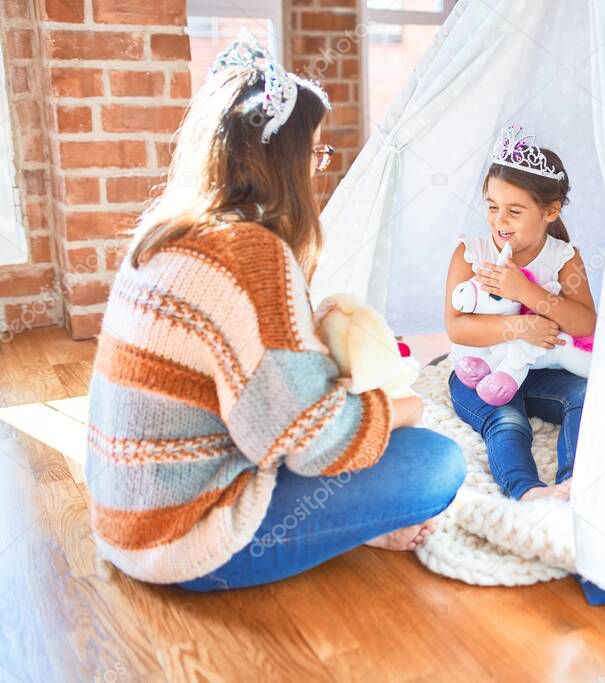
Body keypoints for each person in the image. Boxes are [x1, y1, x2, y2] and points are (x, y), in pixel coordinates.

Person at [84, 33, 464, 591]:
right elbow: (312, 443)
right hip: (187, 543)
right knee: (436, 460)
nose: (319, 166)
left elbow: (260, 399)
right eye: (315, 152)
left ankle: (354, 527)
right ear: (282, 161)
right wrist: (400, 408)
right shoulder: (253, 254)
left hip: (126, 521)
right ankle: (353, 526)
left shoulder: (166, 234)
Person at [443, 125, 596, 501]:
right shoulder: (472, 253)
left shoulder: (563, 257)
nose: (499, 221)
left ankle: (573, 484)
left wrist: (524, 291)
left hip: (541, 372)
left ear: (550, 211)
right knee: (506, 420)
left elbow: (586, 324)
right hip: (481, 374)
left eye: (514, 211)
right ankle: (526, 491)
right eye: (493, 207)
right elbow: (457, 329)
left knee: (586, 394)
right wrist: (520, 326)